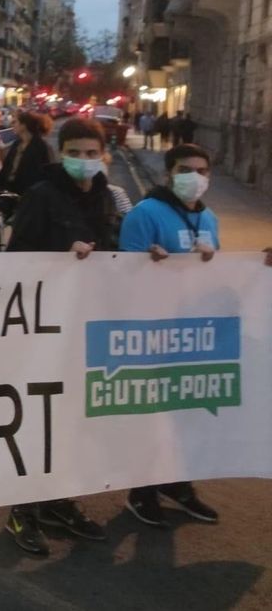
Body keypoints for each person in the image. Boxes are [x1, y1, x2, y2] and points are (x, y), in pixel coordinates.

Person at [0, 117, 116, 554]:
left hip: (87, 326)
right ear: (62, 153)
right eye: (75, 153)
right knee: (38, 420)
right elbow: (17, 260)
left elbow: (116, 254)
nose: (84, 161)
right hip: (43, 327)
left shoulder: (106, 197)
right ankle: (22, 509)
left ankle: (58, 500)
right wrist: (62, 258)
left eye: (91, 153)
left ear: (103, 155)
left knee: (71, 422)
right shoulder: (42, 196)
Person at [119, 142, 222, 528]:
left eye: (202, 171)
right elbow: (120, 271)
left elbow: (217, 275)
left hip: (192, 332)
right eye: (184, 170)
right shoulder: (146, 213)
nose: (194, 177)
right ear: (168, 174)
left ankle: (177, 483)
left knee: (187, 414)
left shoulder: (209, 218)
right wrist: (148, 263)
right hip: (151, 330)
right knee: (152, 417)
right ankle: (141, 491)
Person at [0, 110, 53, 197]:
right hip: (12, 191)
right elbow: (6, 167)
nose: (11, 125)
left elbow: (47, 173)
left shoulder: (41, 146)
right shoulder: (17, 144)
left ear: (24, 125)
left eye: (14, 122)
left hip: (30, 194)